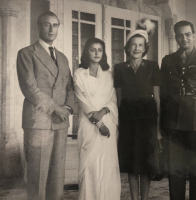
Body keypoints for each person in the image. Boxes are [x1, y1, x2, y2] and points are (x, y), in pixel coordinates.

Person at [16, 11, 74, 199]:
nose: (51, 29)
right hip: (39, 121)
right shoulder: (26, 53)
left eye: (55, 25)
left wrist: (68, 109)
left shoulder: (63, 58)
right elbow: (29, 87)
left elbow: (70, 88)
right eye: (47, 25)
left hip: (60, 122)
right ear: (38, 26)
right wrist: (56, 108)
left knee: (57, 175)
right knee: (37, 176)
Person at [160, 20, 196, 200]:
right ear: (175, 37)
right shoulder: (168, 60)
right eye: (180, 35)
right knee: (175, 169)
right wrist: (163, 123)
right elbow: (164, 94)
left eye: (187, 34)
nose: (184, 38)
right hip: (173, 120)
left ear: (194, 35)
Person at [114, 19, 161, 200]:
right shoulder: (119, 68)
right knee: (132, 163)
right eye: (133, 45)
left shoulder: (152, 67)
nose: (136, 48)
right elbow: (119, 98)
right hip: (127, 119)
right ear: (127, 47)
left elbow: (157, 98)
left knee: (146, 164)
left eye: (140, 45)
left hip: (148, 120)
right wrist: (118, 124)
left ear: (145, 48)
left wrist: (157, 128)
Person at [73, 38, 121, 200]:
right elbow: (84, 102)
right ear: (87, 51)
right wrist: (99, 123)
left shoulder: (108, 75)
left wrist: (103, 111)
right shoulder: (79, 74)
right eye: (93, 49)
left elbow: (113, 99)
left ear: (103, 53)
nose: (96, 53)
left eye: (99, 50)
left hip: (108, 122)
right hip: (89, 125)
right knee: (90, 165)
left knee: (107, 165)